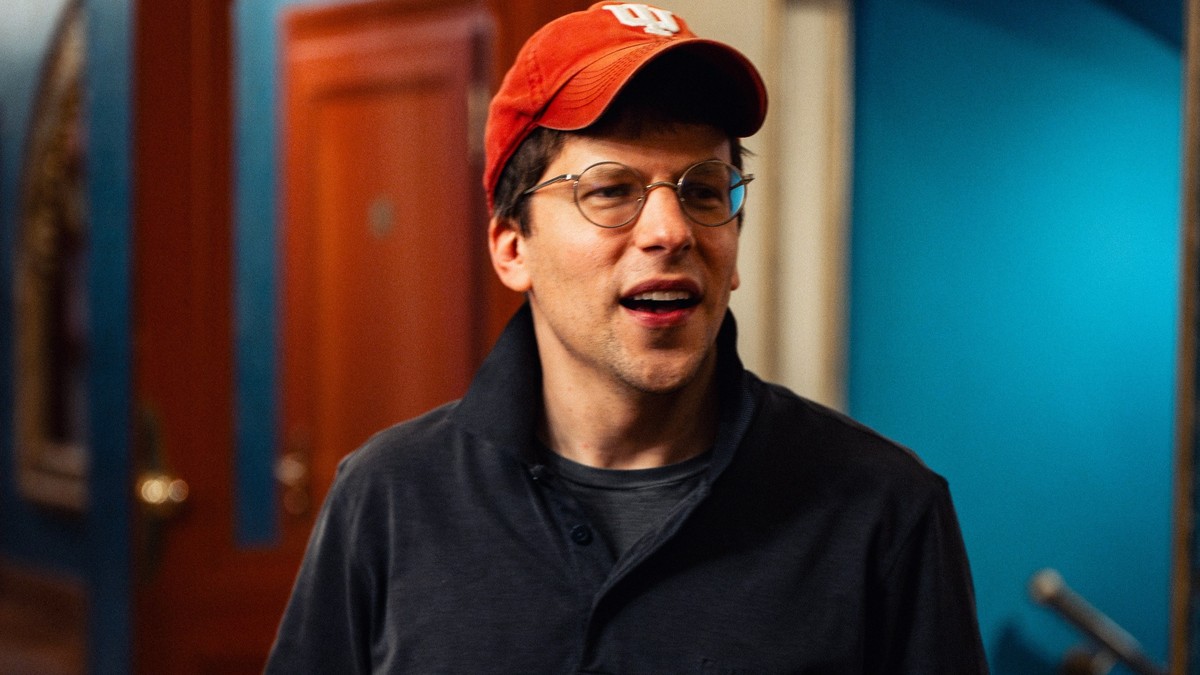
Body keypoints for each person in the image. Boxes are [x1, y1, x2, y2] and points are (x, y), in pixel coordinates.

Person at [266, 3, 989, 672]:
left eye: (703, 191)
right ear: (513, 248)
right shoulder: (389, 497)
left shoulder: (885, 510)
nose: (671, 231)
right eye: (611, 190)